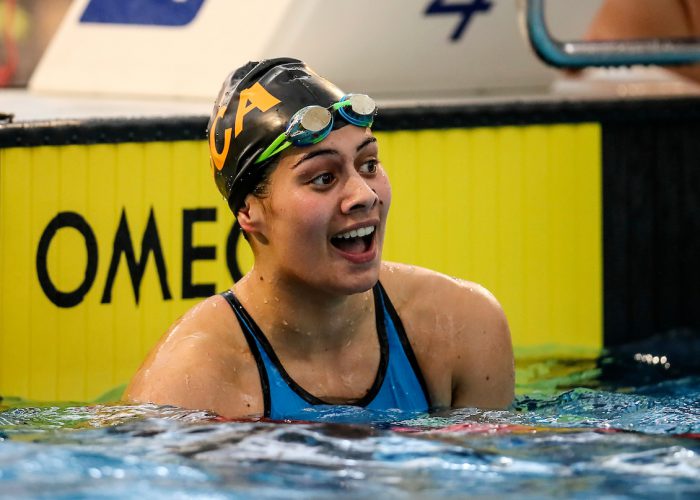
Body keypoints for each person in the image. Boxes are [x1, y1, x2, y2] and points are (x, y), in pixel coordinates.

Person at [125, 58, 514, 420]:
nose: (364, 194)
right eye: (323, 177)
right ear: (248, 211)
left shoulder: (461, 327)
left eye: (369, 164)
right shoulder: (190, 385)